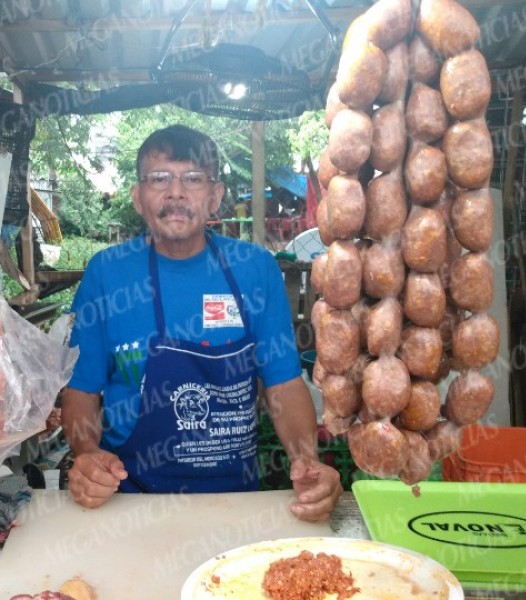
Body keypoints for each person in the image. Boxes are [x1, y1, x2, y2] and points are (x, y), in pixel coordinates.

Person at [60, 125, 342, 522]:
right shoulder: (107, 274)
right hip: (127, 498)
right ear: (138, 198)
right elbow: (81, 390)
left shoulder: (255, 269)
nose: (176, 192)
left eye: (192, 179)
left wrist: (308, 463)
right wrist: (87, 455)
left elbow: (283, 382)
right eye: (159, 178)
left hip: (235, 502)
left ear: (215, 197)